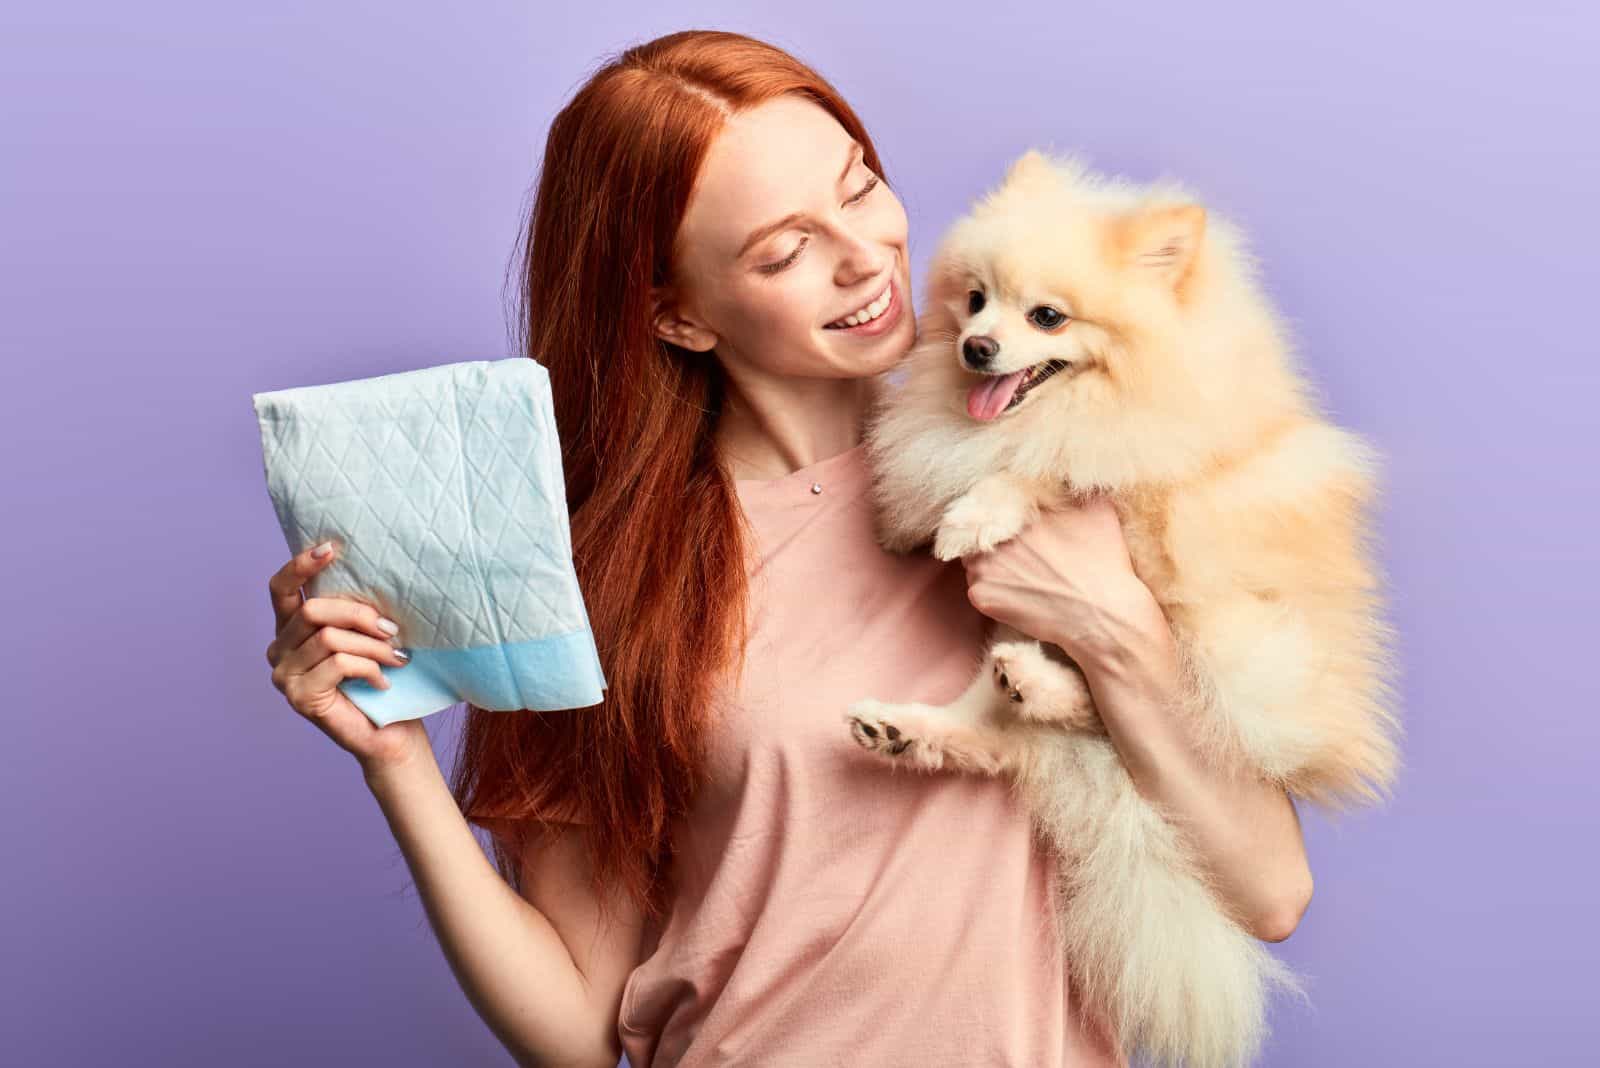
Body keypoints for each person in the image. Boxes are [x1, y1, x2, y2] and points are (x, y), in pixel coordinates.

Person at [262, 29, 1313, 1068]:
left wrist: (1114, 628)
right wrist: (394, 760)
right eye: (784, 248)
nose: (866, 259)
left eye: (859, 188)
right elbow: (575, 1030)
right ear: (677, 317)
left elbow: (1268, 892)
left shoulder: (1066, 475)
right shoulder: (602, 584)